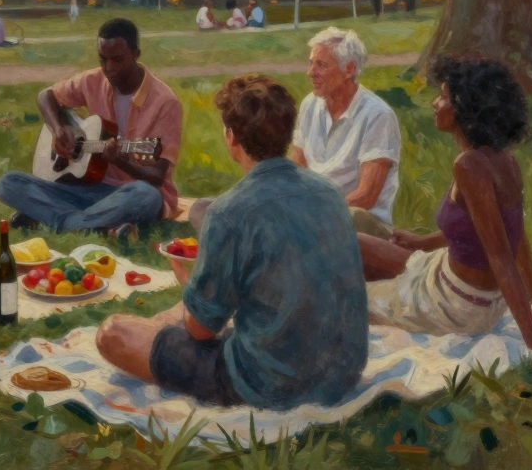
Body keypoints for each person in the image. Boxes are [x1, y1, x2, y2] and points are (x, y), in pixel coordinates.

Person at [95, 74, 368, 409]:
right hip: (342, 374)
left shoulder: (228, 213)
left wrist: (189, 282)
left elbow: (200, 332)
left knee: (113, 332)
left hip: (268, 385)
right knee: (176, 318)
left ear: (231, 137)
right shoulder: (330, 194)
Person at [358, 58, 532, 357]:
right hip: (452, 279)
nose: (435, 104)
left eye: (444, 97)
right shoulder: (503, 160)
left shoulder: (470, 166)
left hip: (457, 303)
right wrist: (421, 242)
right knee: (356, 243)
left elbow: (502, 256)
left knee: (350, 296)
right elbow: (509, 235)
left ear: (466, 110)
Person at [0, 19, 181, 234]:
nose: (109, 68)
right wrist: (58, 129)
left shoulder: (165, 102)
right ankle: (94, 224)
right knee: (8, 183)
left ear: (136, 54)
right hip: (85, 187)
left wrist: (121, 162)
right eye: (103, 60)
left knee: (147, 196)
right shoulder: (93, 80)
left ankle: (60, 219)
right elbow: (46, 96)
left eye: (118, 60)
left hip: (129, 192)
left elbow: (157, 177)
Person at [291, 28, 400, 238]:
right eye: (311, 63)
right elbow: (296, 170)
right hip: (315, 215)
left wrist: (310, 213)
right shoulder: (309, 105)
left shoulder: (377, 115)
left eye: (321, 65)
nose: (310, 72)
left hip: (362, 222)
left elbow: (366, 196)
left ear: (348, 69)